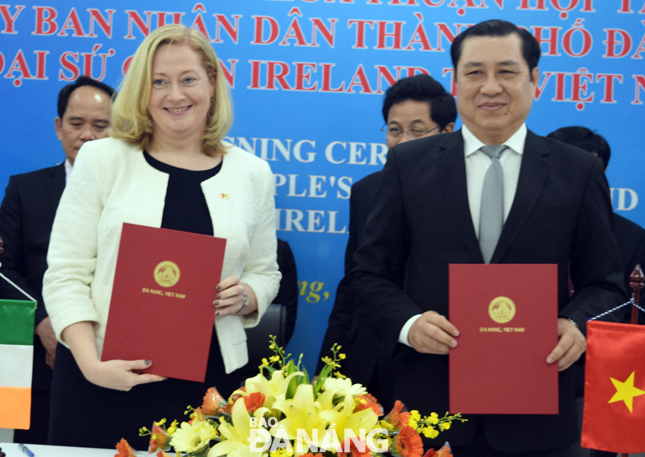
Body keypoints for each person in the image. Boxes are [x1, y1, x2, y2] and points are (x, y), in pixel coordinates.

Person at [351, 19, 626, 456]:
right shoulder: (407, 165)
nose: (490, 87)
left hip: (537, 412)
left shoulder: (578, 171)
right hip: (429, 408)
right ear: (456, 82)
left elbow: (605, 283)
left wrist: (577, 325)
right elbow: (368, 275)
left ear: (536, 79)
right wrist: (408, 325)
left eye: (507, 71)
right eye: (475, 72)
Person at [42, 24, 280, 449]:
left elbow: (266, 272)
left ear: (211, 82)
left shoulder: (252, 174)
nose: (175, 95)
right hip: (102, 378)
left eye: (188, 79)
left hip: (210, 388)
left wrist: (245, 295)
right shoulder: (102, 159)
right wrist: (89, 362)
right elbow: (65, 274)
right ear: (142, 91)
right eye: (159, 82)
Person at [318, 74, 456, 408]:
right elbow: (353, 283)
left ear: (447, 132)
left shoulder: (464, 193)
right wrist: (326, 372)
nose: (403, 140)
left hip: (436, 363)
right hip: (368, 360)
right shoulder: (366, 191)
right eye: (394, 129)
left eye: (417, 130)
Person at [0, 75, 114, 444]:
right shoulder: (25, 189)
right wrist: (44, 323)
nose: (87, 135)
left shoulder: (131, 195)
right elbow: (7, 269)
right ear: (59, 127)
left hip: (112, 357)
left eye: (100, 125)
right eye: (76, 124)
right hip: (36, 362)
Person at [547, 126, 645, 457]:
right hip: (527, 366)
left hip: (601, 381)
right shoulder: (526, 225)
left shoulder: (632, 238)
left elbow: (634, 310)